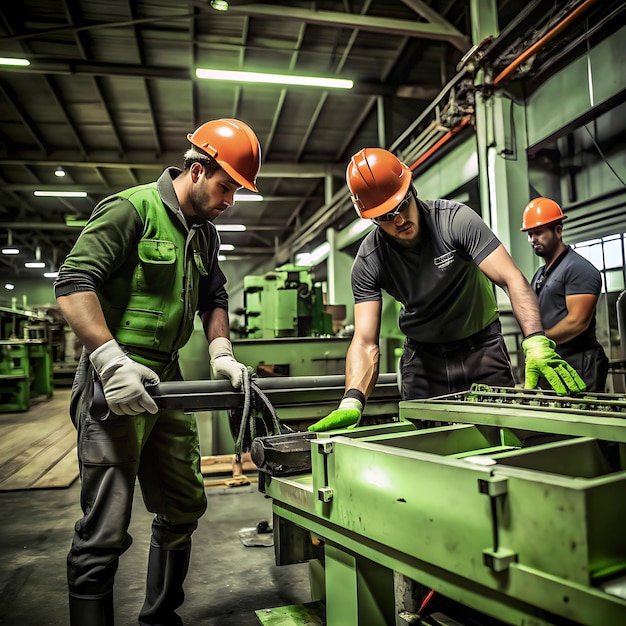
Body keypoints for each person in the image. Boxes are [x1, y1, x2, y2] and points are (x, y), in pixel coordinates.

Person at [54, 118, 261, 626]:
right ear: (196, 169)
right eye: (225, 185)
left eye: (237, 190)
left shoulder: (205, 234)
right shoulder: (132, 210)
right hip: (114, 384)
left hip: (166, 385)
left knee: (184, 505)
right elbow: (74, 282)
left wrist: (220, 353)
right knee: (104, 529)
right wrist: (108, 360)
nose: (230, 200)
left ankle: (159, 617)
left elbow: (214, 296)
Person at [308, 148, 585, 432]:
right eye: (386, 216)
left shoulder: (455, 221)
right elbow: (366, 341)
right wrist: (352, 400)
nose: (400, 220)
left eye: (403, 205)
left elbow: (512, 279)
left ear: (411, 189)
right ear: (371, 218)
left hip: (482, 350)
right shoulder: (370, 259)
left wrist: (536, 340)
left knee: (506, 436)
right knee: (425, 447)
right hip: (424, 362)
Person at [521, 197, 608, 391]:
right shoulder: (540, 274)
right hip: (554, 362)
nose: (532, 239)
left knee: (582, 420)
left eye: (538, 233)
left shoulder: (578, 269)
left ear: (558, 231)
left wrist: (540, 341)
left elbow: (577, 322)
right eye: (529, 234)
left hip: (579, 365)